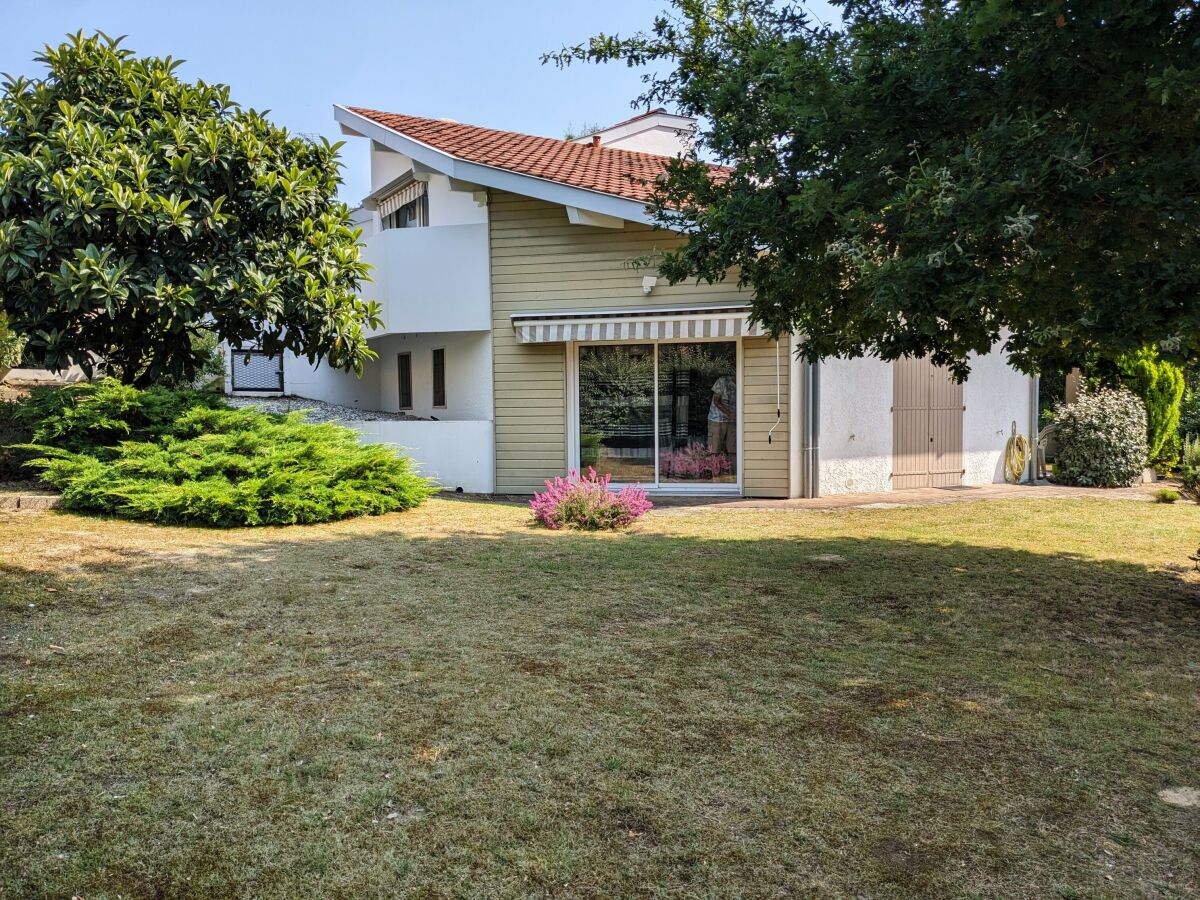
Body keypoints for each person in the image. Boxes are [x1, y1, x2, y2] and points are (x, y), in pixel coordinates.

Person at [707, 373, 736, 455]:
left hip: (733, 421)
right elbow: (716, 400)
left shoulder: (744, 382)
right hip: (716, 420)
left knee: (733, 450)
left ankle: (730, 468)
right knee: (714, 450)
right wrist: (729, 414)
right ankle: (713, 467)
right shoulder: (723, 381)